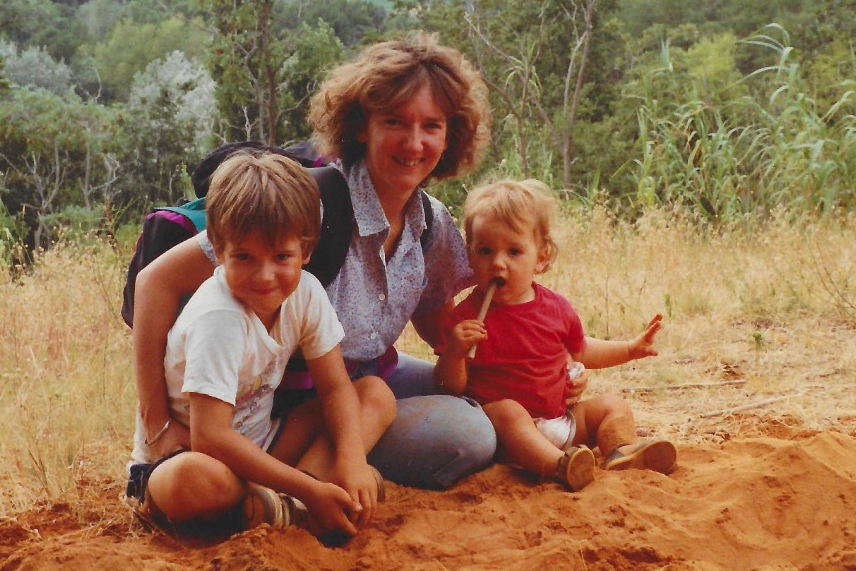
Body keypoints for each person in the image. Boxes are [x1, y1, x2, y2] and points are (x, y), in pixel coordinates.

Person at [134, 32, 505, 490]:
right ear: (361, 126)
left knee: (485, 407)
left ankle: (303, 483)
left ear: (450, 136)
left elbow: (439, 324)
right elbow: (155, 281)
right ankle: (312, 479)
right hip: (281, 402)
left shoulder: (431, 224)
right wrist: (156, 423)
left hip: (365, 380)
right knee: (465, 435)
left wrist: (533, 363)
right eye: (395, 122)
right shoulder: (313, 202)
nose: (413, 143)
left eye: (431, 126)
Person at [126, 151, 396, 541]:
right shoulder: (218, 315)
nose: (264, 275)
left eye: (282, 256)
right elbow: (211, 437)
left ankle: (287, 503)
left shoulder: (306, 292)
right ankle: (307, 496)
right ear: (218, 250)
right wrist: (310, 488)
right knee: (195, 480)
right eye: (245, 257)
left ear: (306, 250)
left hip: (262, 445)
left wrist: (353, 459)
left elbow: (335, 386)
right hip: (193, 455)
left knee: (373, 393)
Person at [433, 179, 677, 491]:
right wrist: (454, 353)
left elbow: (581, 350)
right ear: (469, 256)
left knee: (611, 405)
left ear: (542, 257)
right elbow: (448, 388)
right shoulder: (464, 320)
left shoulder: (556, 308)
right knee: (508, 411)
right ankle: (558, 467)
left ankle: (621, 452)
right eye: (485, 250)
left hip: (562, 421)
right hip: (507, 437)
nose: (498, 262)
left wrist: (629, 349)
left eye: (514, 251)